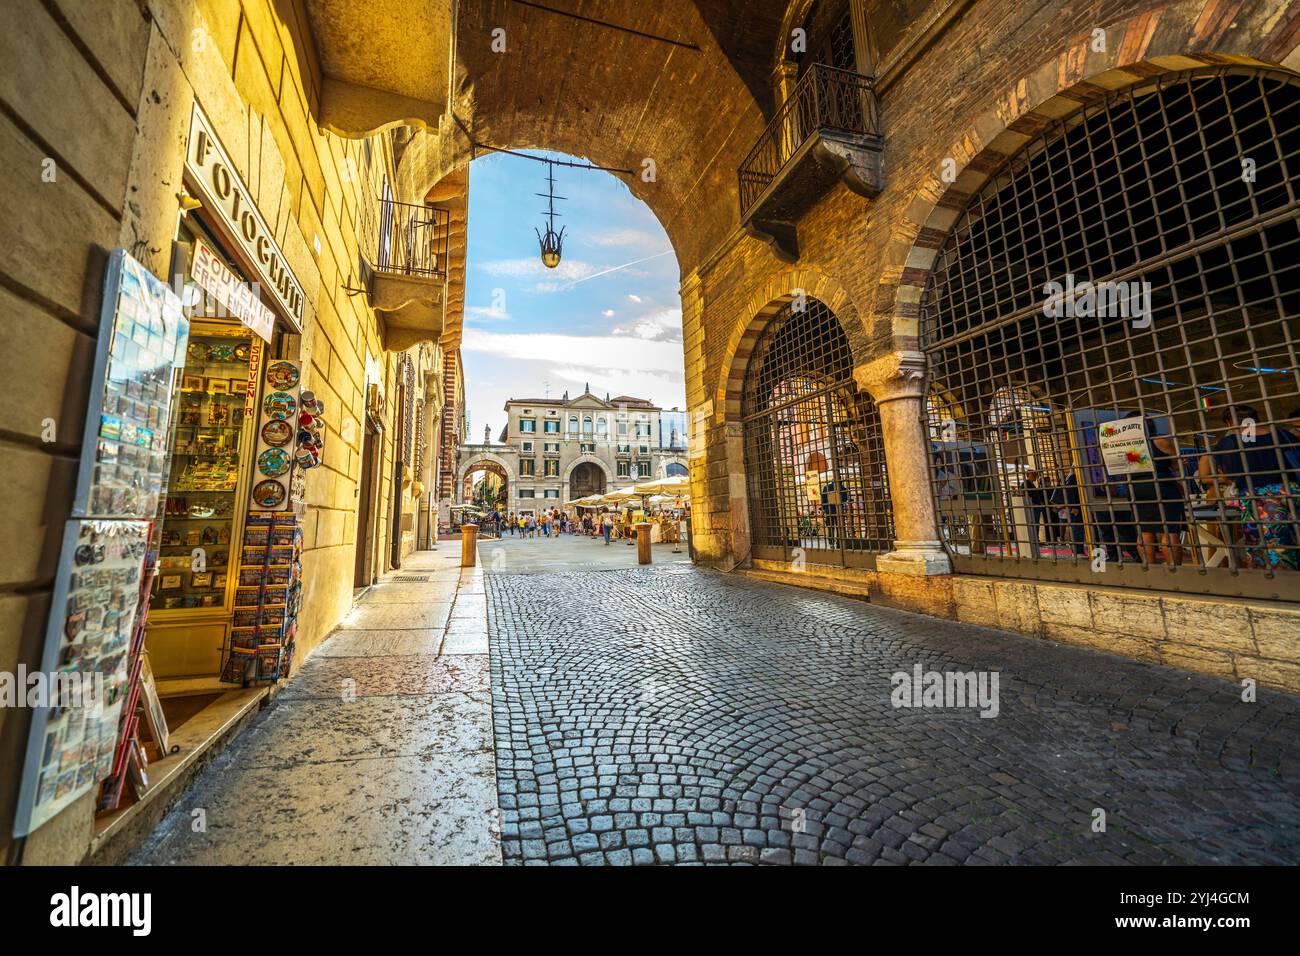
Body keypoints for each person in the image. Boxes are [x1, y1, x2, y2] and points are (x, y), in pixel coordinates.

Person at [1209, 404, 1300, 570]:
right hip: (1293, 492)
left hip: (1261, 500)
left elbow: (1230, 473)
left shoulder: (1232, 442)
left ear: (1230, 423)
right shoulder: (1282, 434)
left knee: (1272, 550)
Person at [1129, 419, 1186, 566]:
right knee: (1169, 531)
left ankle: (1150, 567)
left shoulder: (1127, 446)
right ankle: (1175, 570)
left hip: (1136, 488)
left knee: (1144, 532)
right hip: (1162, 486)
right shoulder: (1159, 441)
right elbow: (1176, 465)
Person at [1017, 470, 1050, 555]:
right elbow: (1023, 494)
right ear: (1028, 475)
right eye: (1033, 474)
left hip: (1036, 506)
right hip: (1033, 507)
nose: (1035, 475)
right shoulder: (1025, 483)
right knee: (1034, 522)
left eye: (1035, 474)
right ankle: (1034, 539)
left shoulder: (1031, 484)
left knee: (1036, 523)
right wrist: (1034, 504)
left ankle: (1036, 539)